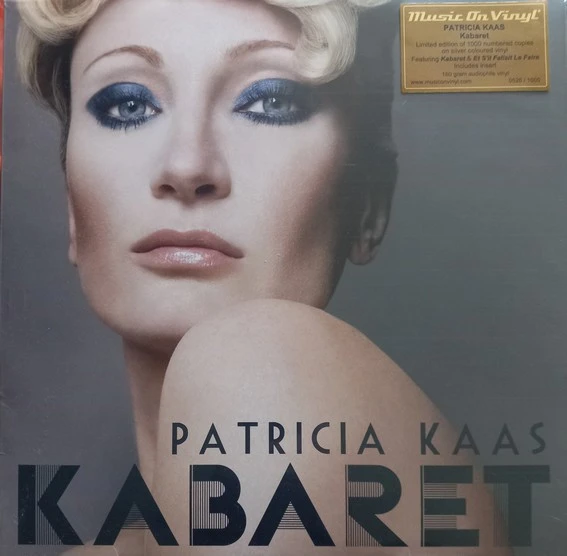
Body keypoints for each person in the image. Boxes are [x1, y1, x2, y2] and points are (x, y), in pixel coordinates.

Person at [16, 0, 511, 554]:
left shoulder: (256, 360)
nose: (187, 167)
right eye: (128, 104)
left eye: (271, 101)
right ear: (72, 207)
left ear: (368, 206)